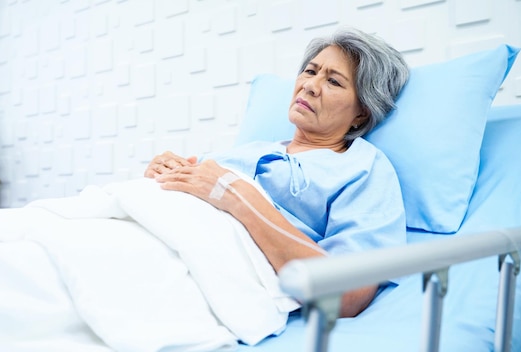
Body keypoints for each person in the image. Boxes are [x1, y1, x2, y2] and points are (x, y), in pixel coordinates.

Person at [144, 27, 410, 318]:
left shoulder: (362, 168)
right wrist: (162, 173)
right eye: (310, 71)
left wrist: (240, 199)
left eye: (333, 81)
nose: (310, 85)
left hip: (198, 270)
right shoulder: (247, 151)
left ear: (362, 112)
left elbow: (347, 295)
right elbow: (189, 185)